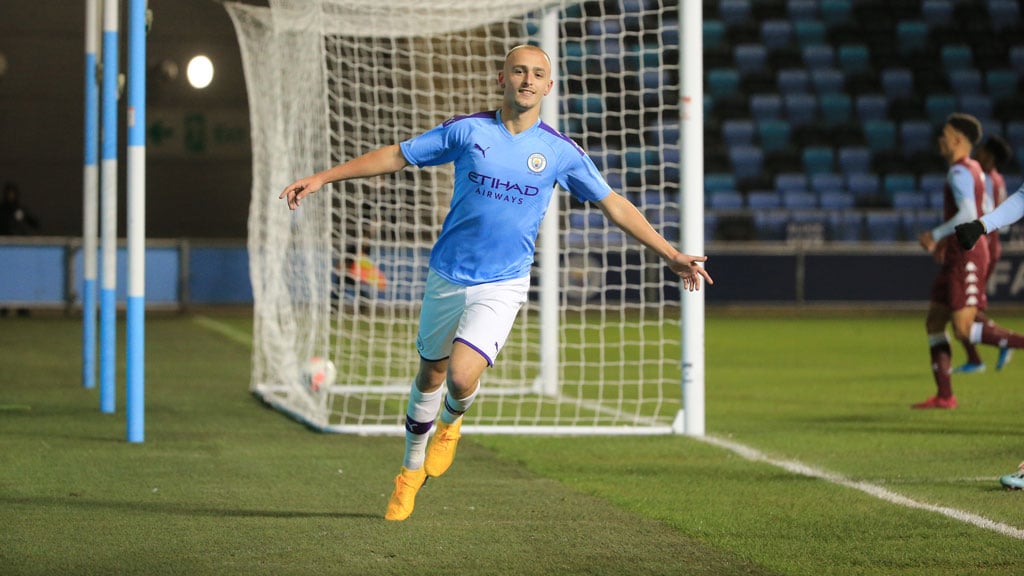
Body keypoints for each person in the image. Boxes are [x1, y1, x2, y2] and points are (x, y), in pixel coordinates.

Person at [279, 45, 712, 521]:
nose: (528, 80)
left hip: (503, 283)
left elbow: (613, 204)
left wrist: (670, 253)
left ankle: (451, 424)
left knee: (462, 377)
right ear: (501, 78)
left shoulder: (559, 152)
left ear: (549, 86)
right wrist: (323, 177)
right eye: (519, 71)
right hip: (447, 274)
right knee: (431, 375)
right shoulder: (468, 131)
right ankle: (408, 473)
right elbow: (398, 155)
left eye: (538, 74)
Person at [954, 136, 1014, 373]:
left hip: (979, 248)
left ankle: (1001, 342)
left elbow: (981, 213)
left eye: (981, 151)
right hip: (990, 246)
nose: (977, 154)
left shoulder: (983, 178)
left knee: (960, 307)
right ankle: (980, 354)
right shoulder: (999, 180)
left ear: (990, 156)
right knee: (964, 307)